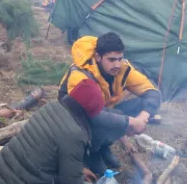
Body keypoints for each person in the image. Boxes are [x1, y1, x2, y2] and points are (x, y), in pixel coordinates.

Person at [0, 80, 105, 184]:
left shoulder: (51, 107)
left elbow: (47, 152)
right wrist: (79, 176)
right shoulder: (75, 134)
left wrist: (78, 169)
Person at [59, 33, 161, 174]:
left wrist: (142, 117)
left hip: (103, 110)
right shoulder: (81, 75)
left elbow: (152, 92)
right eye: (112, 60)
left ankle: (104, 145)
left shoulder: (123, 70)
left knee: (139, 105)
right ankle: (92, 152)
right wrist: (129, 122)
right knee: (117, 117)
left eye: (120, 59)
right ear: (98, 57)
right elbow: (92, 114)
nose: (117, 65)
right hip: (75, 118)